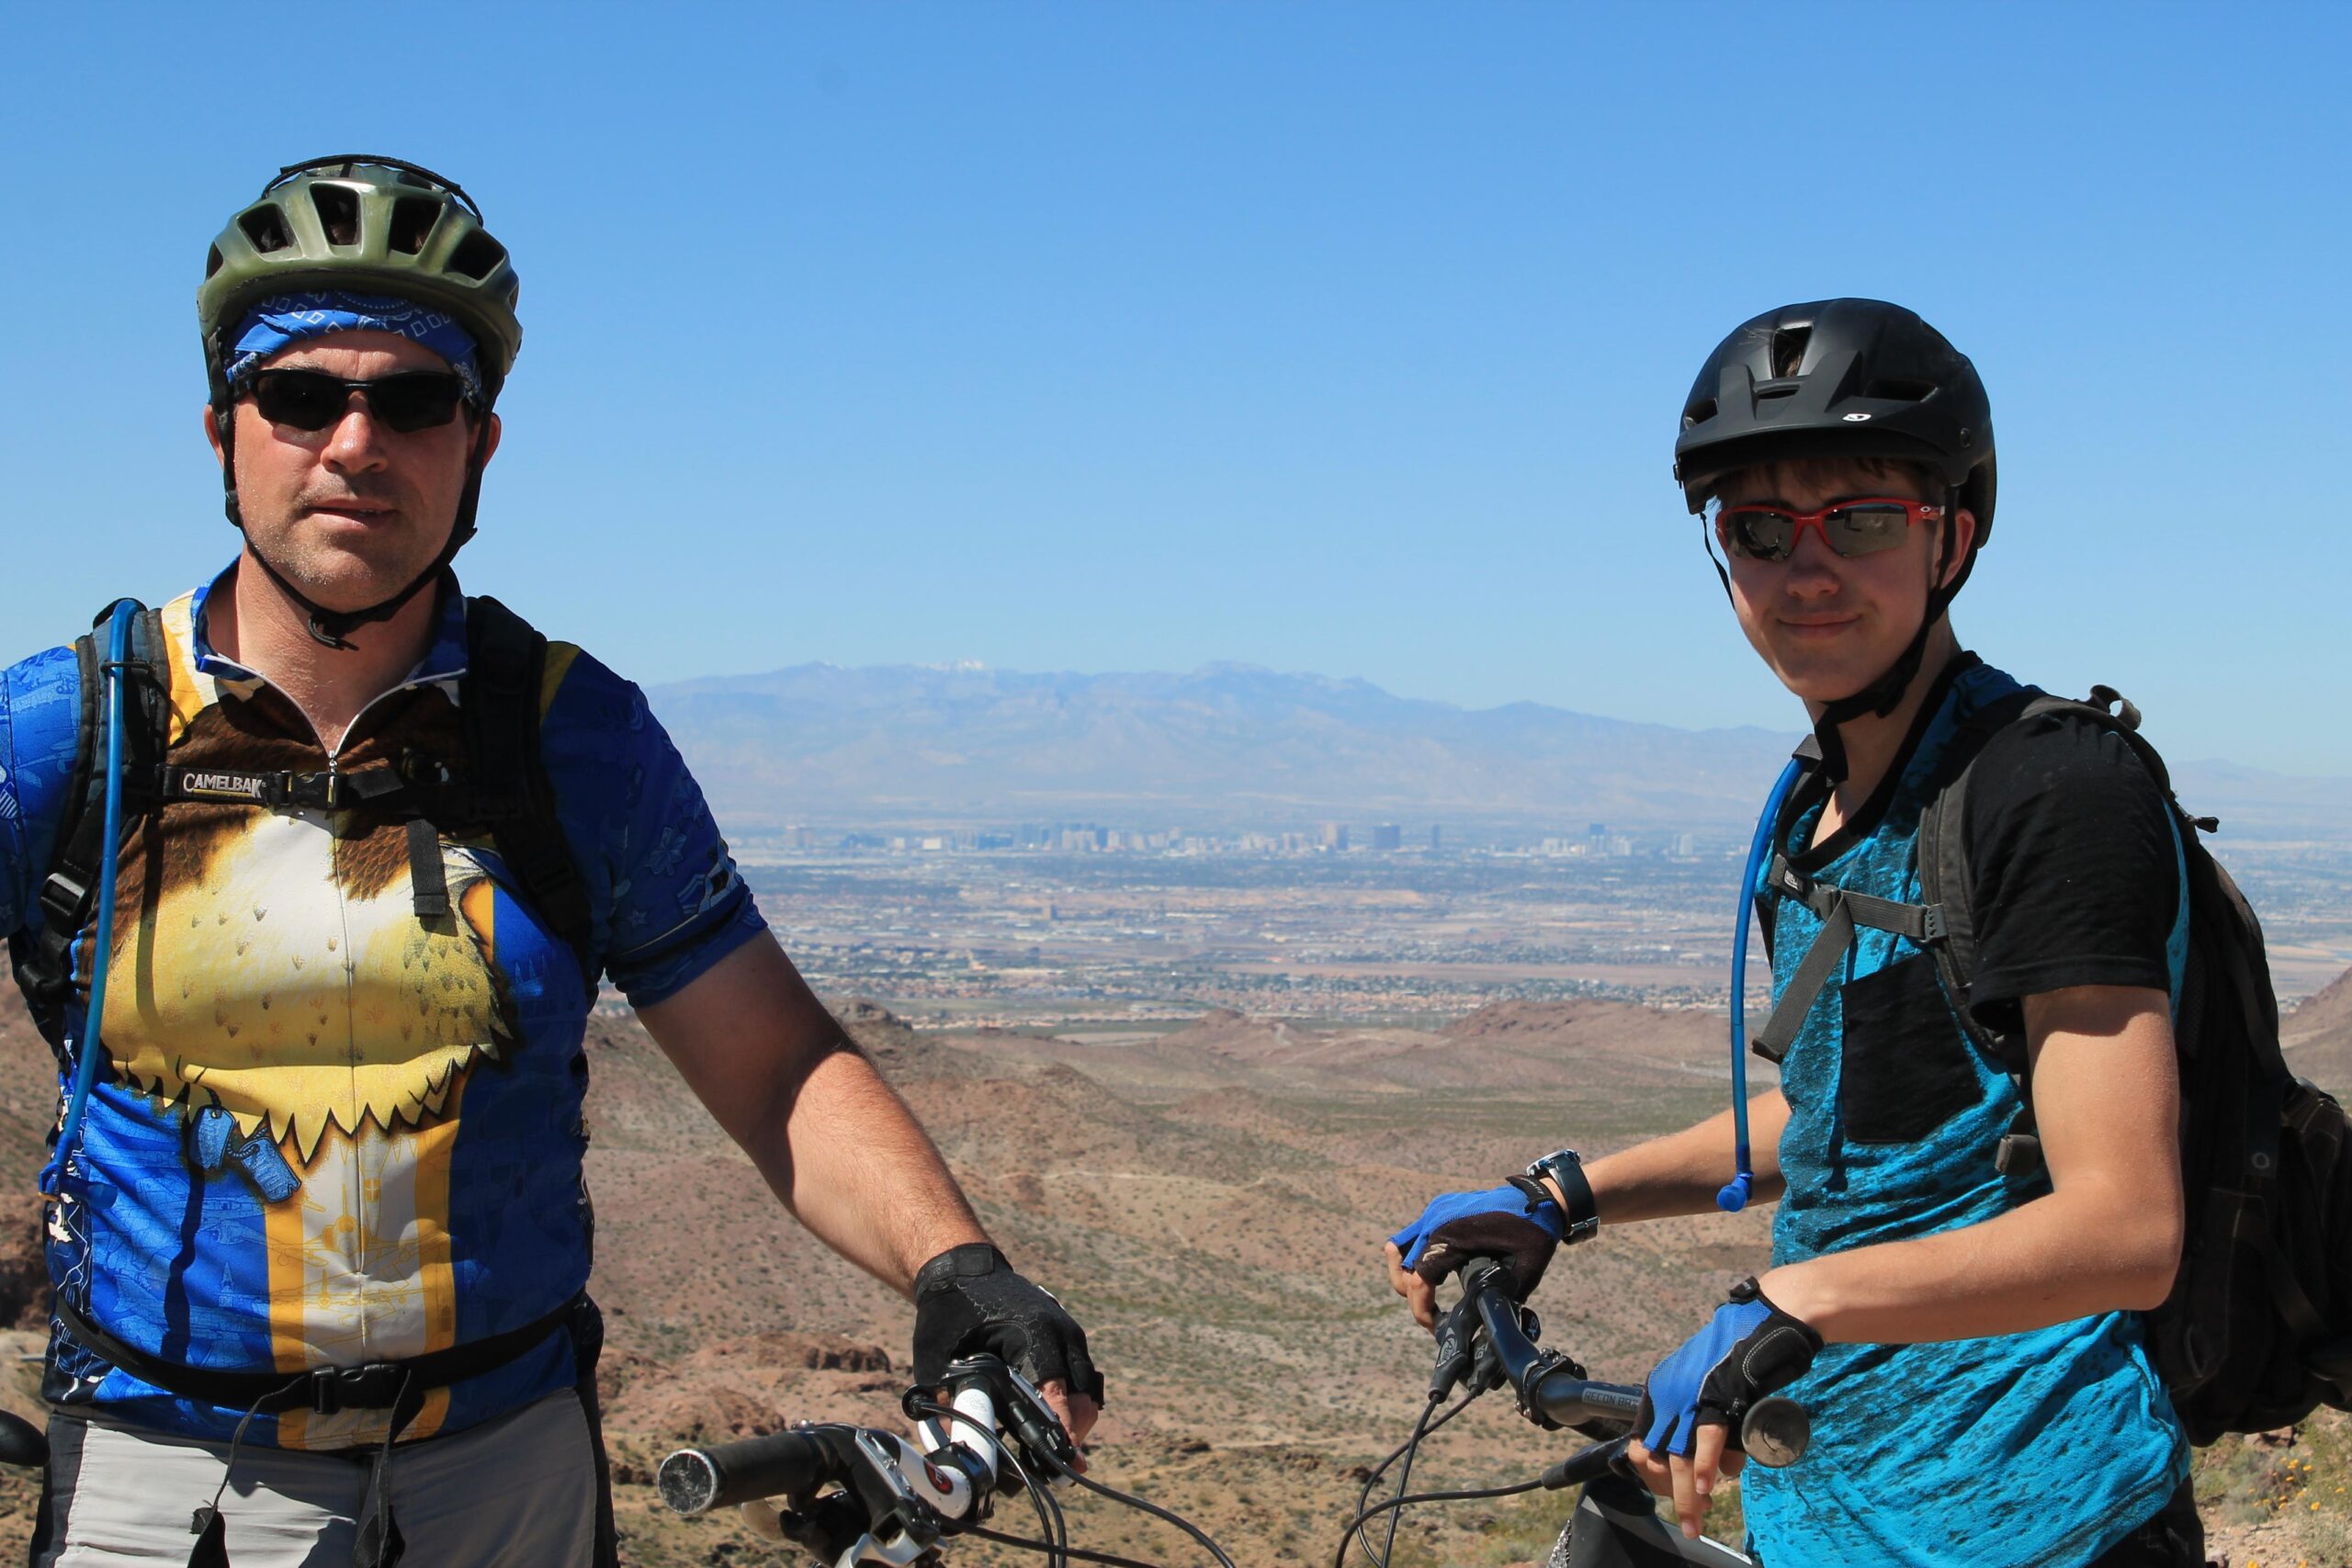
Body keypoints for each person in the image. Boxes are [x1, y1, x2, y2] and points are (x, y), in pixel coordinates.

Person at [0, 157, 1101, 1568]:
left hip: (502, 1470)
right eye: (299, 396)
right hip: (167, 1480)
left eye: (411, 400)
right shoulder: (76, 729)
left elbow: (769, 1063)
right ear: (222, 432)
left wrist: (960, 1271)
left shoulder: (570, 737)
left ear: (480, 445)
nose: (354, 442)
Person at [1386, 299, 2199, 1567]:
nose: (1806, 569)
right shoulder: (1813, 809)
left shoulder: (2053, 791)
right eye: (1759, 529)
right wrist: (1563, 1195)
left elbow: (2125, 1228)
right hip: (1821, 1513)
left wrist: (1790, 1302)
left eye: (1861, 519)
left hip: (2044, 1526)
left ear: (1954, 536)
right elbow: (1848, 1123)